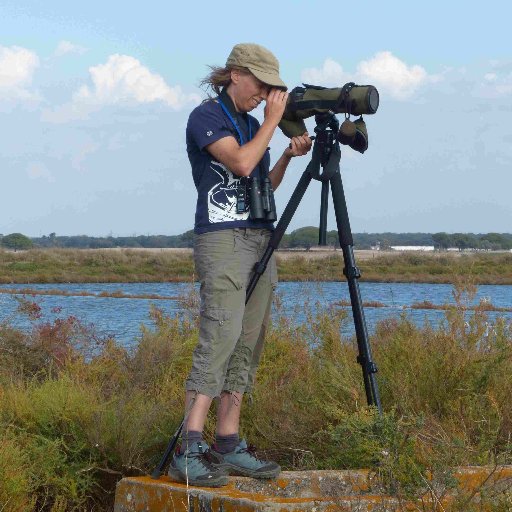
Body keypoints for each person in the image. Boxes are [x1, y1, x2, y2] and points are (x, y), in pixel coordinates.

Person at [168, 43, 312, 487]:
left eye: (274, 87)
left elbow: (259, 184)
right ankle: (190, 445)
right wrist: (272, 122)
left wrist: (286, 155)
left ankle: (227, 442)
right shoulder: (206, 117)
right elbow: (240, 160)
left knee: (249, 340)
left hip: (257, 237)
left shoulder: (254, 124)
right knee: (221, 334)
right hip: (222, 239)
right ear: (235, 74)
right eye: (262, 84)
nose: (267, 93)